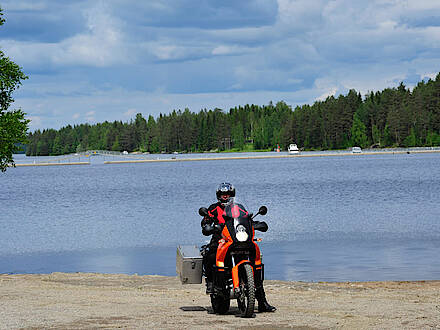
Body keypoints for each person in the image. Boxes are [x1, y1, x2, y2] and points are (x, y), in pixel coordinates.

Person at [201, 182, 276, 312]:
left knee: (256, 262)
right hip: (220, 239)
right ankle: (212, 283)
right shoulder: (213, 208)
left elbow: (247, 219)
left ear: (232, 195)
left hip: (238, 238)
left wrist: (256, 224)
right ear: (219, 195)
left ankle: (262, 302)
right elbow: (206, 220)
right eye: (223, 194)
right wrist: (207, 225)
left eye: (227, 194)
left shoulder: (239, 207)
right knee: (210, 253)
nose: (225, 197)